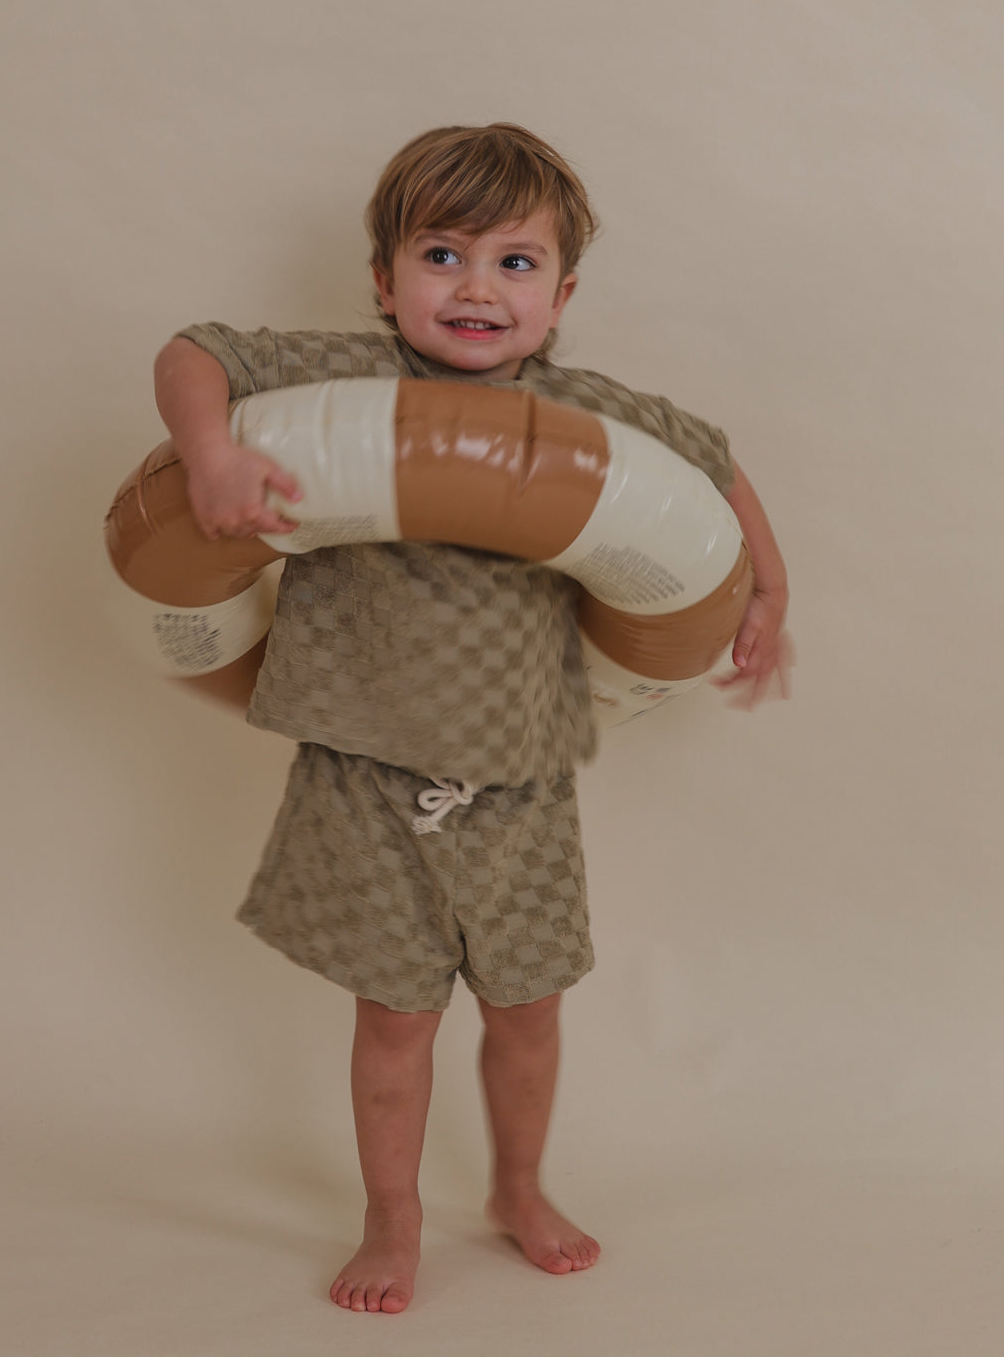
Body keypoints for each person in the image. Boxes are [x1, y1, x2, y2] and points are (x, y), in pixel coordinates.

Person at [153, 123, 791, 1315]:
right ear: (384, 281)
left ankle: (518, 1186)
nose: (476, 286)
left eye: (514, 261)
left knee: (528, 1010)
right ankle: (391, 1216)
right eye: (441, 254)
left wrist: (771, 589)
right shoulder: (334, 383)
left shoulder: (587, 412)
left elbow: (715, 464)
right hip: (365, 772)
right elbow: (195, 351)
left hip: (524, 777)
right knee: (395, 1023)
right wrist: (207, 453)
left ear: (560, 294)